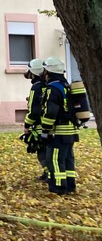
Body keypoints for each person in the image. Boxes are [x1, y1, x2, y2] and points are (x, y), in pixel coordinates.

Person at [40, 57, 78, 195]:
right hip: (70, 130)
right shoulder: (65, 86)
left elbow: (50, 112)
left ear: (49, 72)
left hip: (59, 132)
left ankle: (58, 187)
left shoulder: (53, 89)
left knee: (55, 160)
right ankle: (70, 185)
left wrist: (45, 130)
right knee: (67, 159)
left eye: (45, 70)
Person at [21, 58, 49, 181]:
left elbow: (34, 110)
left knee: (42, 151)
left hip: (40, 125)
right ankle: (49, 173)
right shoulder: (48, 85)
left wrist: (27, 124)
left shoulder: (36, 87)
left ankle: (48, 174)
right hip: (51, 124)